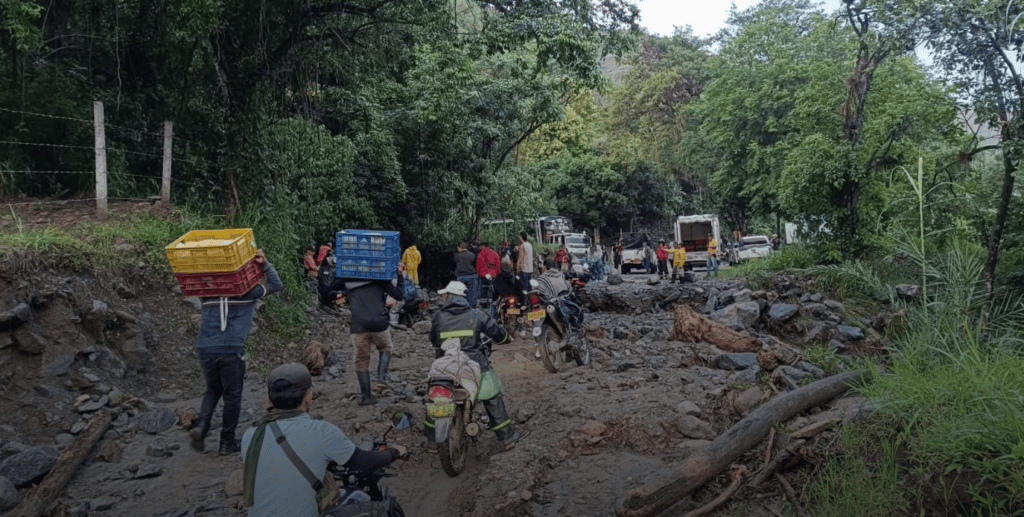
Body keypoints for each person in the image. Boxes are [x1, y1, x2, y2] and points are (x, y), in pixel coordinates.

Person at [241, 363, 407, 517]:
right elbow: (364, 462)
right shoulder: (322, 431)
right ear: (309, 398)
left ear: (269, 400)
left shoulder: (251, 435)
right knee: (385, 508)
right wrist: (395, 451)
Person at [190, 250, 283, 455]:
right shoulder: (248, 292)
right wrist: (265, 264)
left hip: (205, 348)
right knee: (232, 395)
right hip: (230, 350)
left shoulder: (207, 293)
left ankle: (201, 427)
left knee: (213, 389)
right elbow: (277, 285)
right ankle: (227, 442)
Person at [428, 281, 526, 450]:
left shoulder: (439, 316)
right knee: (491, 395)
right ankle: (507, 438)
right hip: (474, 364)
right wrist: (506, 338)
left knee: (435, 398)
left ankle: (431, 442)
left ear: (449, 296)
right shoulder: (476, 314)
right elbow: (498, 333)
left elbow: (433, 340)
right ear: (463, 297)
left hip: (445, 367)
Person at [343, 262, 406, 405]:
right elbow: (399, 295)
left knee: (361, 360)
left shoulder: (347, 279)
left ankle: (366, 397)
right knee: (385, 348)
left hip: (358, 325)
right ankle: (382, 380)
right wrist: (400, 276)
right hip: (379, 322)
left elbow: (329, 287)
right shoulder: (380, 278)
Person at [454, 241, 479, 307]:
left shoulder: (456, 256)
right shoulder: (472, 255)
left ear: (460, 247)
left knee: (461, 294)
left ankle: (463, 307)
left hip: (460, 276)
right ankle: (471, 308)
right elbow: (475, 265)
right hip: (471, 275)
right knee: (472, 293)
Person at [476, 241, 500, 307]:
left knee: (484, 289)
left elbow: (478, 266)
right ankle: (491, 304)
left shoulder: (480, 254)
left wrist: (478, 274)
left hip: (483, 275)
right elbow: (498, 264)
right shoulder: (494, 253)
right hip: (493, 275)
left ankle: (484, 305)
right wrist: (497, 273)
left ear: (483, 246)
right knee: (492, 289)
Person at [516, 232, 534, 296]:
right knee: (529, 286)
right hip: (530, 268)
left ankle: (525, 302)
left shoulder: (522, 246)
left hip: (524, 269)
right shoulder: (529, 245)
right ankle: (530, 301)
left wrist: (518, 268)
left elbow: (521, 258)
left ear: (522, 238)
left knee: (524, 287)